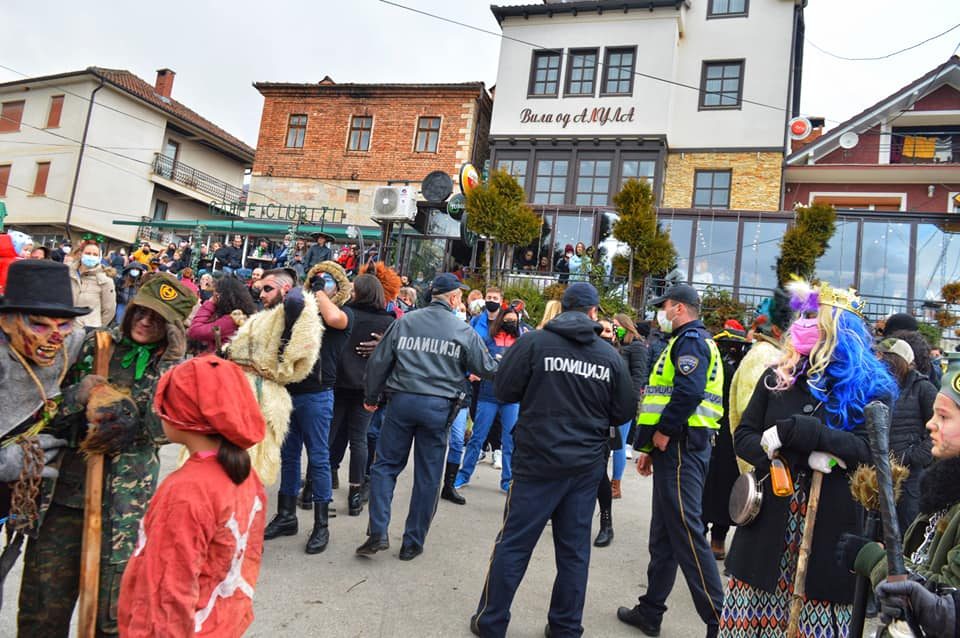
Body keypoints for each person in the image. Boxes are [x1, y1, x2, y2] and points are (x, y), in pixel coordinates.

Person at [18, 272, 194, 636]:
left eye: (158, 319)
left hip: (123, 510)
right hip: (64, 500)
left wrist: (168, 367)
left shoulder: (174, 372)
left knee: (111, 617)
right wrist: (75, 400)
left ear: (173, 329)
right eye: (141, 312)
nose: (146, 322)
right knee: (41, 611)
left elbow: (162, 433)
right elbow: (41, 414)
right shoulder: (91, 346)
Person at [718, 280, 897, 638]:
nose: (802, 322)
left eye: (813, 316)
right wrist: (798, 457)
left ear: (838, 328)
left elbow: (869, 452)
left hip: (828, 542)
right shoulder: (777, 376)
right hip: (766, 535)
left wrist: (810, 434)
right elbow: (745, 438)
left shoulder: (870, 390)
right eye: (802, 315)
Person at [470, 283, 635, 637]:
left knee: (514, 543)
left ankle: (492, 621)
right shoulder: (609, 357)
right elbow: (623, 410)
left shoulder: (535, 343)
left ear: (562, 309)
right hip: (583, 467)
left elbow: (504, 388)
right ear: (593, 313)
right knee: (574, 552)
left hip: (536, 462)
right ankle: (565, 627)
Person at [117, 356, 267, 637]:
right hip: (221, 623)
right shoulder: (246, 474)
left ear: (183, 413)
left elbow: (166, 594)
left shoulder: (185, 492)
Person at [356, 273, 497, 560]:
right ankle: (412, 542)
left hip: (402, 402)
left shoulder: (405, 321)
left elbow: (379, 361)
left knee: (385, 466)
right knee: (428, 476)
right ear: (454, 298)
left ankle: (378, 530)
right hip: (439, 407)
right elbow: (486, 368)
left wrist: (371, 398)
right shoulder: (463, 331)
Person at [618, 283, 726, 638]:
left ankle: (721, 621)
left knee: (687, 533)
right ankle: (651, 611)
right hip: (675, 449)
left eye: (664, 308)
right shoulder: (688, 341)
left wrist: (663, 433)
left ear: (679, 308)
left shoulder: (691, 341)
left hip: (681, 447)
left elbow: (688, 392)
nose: (660, 315)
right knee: (663, 534)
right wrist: (649, 448)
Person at [841, 354, 960, 638]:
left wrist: (876, 561)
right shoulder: (944, 490)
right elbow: (920, 560)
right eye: (933, 414)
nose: (930, 424)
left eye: (944, 416)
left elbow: (945, 599)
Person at [265, 262, 352, 554]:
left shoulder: (339, 313)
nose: (320, 286)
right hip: (290, 392)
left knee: (318, 458)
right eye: (316, 281)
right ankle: (287, 515)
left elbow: (334, 318)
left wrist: (318, 291)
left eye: (328, 282)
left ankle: (321, 525)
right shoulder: (299, 311)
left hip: (318, 395)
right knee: (289, 456)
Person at [0, 260, 88, 531]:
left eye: (63, 325)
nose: (54, 337)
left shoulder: (72, 341)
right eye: (39, 325)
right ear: (6, 322)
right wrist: (9, 463)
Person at [330, 274, 394, 516]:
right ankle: (355, 493)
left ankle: (318, 485)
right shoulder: (388, 321)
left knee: (330, 435)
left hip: (339, 383)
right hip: (368, 388)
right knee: (359, 440)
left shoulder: (346, 313)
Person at [455, 304, 527, 493]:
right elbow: (474, 358)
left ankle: (508, 480)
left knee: (509, 440)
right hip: (489, 395)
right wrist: (474, 372)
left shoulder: (522, 341)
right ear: (500, 319)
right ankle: (463, 475)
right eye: (507, 319)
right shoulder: (488, 339)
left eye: (514, 320)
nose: (510, 322)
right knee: (477, 438)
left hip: (511, 397)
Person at [876, 336, 936, 532]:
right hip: (879, 471)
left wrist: (912, 457)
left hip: (909, 477)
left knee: (906, 529)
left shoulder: (923, 388)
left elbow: (935, 430)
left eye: (887, 357)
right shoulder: (877, 387)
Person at [703, 322, 751, 560]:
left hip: (724, 433)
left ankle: (714, 537)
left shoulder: (741, 368)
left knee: (716, 485)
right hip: (722, 432)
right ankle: (714, 538)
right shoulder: (740, 367)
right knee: (716, 485)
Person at [187, 275, 258, 354]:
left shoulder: (232, 320)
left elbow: (195, 331)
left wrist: (210, 304)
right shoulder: (245, 315)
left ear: (219, 296)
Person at [70, 239, 117, 328]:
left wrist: (94, 330)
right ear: (81, 254)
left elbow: (109, 310)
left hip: (87, 331)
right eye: (88, 253)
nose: (91, 256)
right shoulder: (68, 273)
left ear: (99, 258)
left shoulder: (105, 281)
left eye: (95, 254)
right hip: (65, 328)